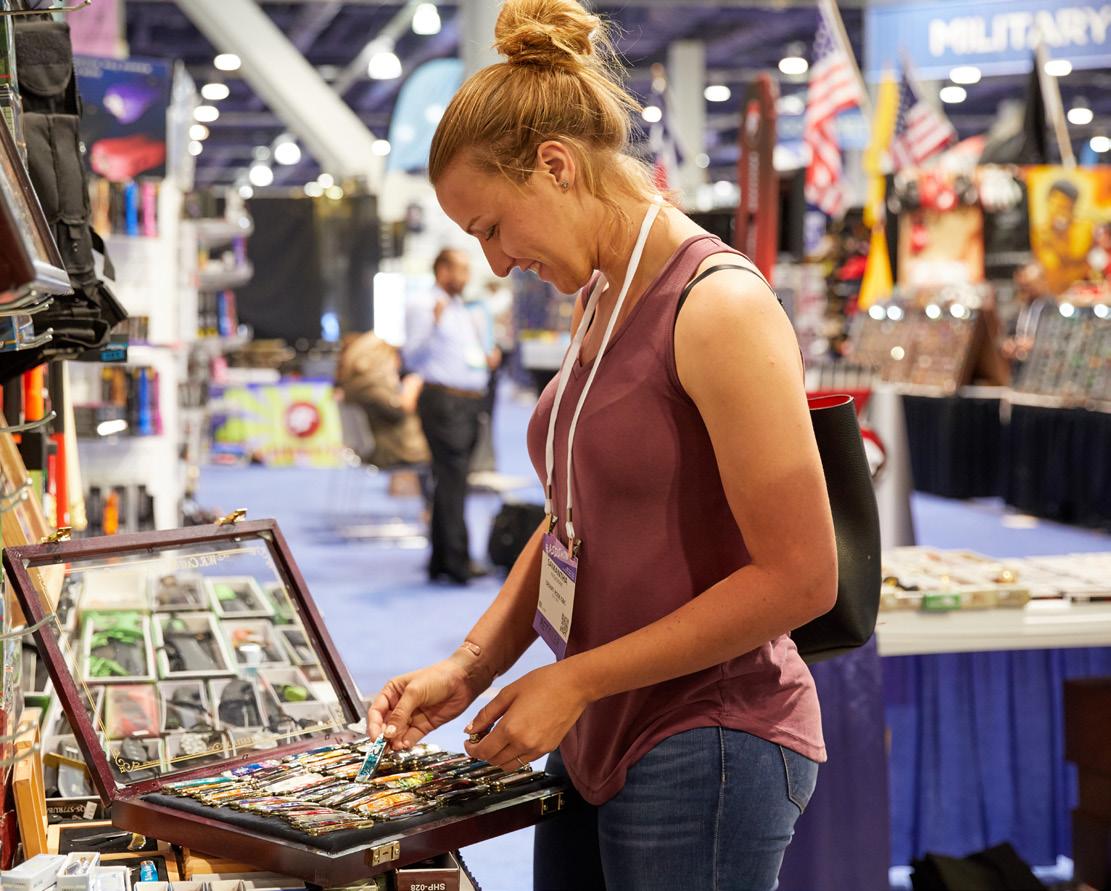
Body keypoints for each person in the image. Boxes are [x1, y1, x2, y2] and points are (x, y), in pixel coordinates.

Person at [369, 2, 836, 888]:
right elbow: (571, 525)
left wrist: (577, 679)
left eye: (491, 227)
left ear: (555, 166)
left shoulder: (719, 306)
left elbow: (801, 578)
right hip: (596, 725)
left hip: (707, 735)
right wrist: (471, 666)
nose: (496, 261)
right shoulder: (598, 295)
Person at [404, 248, 498, 584]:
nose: (465, 277)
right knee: (454, 479)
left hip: (469, 403)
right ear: (442, 270)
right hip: (444, 402)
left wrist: (485, 360)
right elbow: (411, 357)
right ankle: (458, 561)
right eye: (460, 269)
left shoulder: (461, 307)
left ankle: (441, 560)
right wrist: (433, 324)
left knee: (450, 480)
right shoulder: (424, 305)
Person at [334, 331, 430, 469]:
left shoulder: (358, 387)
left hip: (398, 457)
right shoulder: (368, 389)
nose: (398, 362)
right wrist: (410, 392)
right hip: (398, 457)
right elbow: (397, 413)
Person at [1031, 179, 1093, 295]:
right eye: (1054, 204)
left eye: (1063, 207)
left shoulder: (1082, 228)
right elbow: (1048, 262)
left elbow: (1076, 253)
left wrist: (1059, 236)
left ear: (1073, 208)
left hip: (1078, 291)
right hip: (1048, 291)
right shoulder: (1040, 231)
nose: (1057, 210)